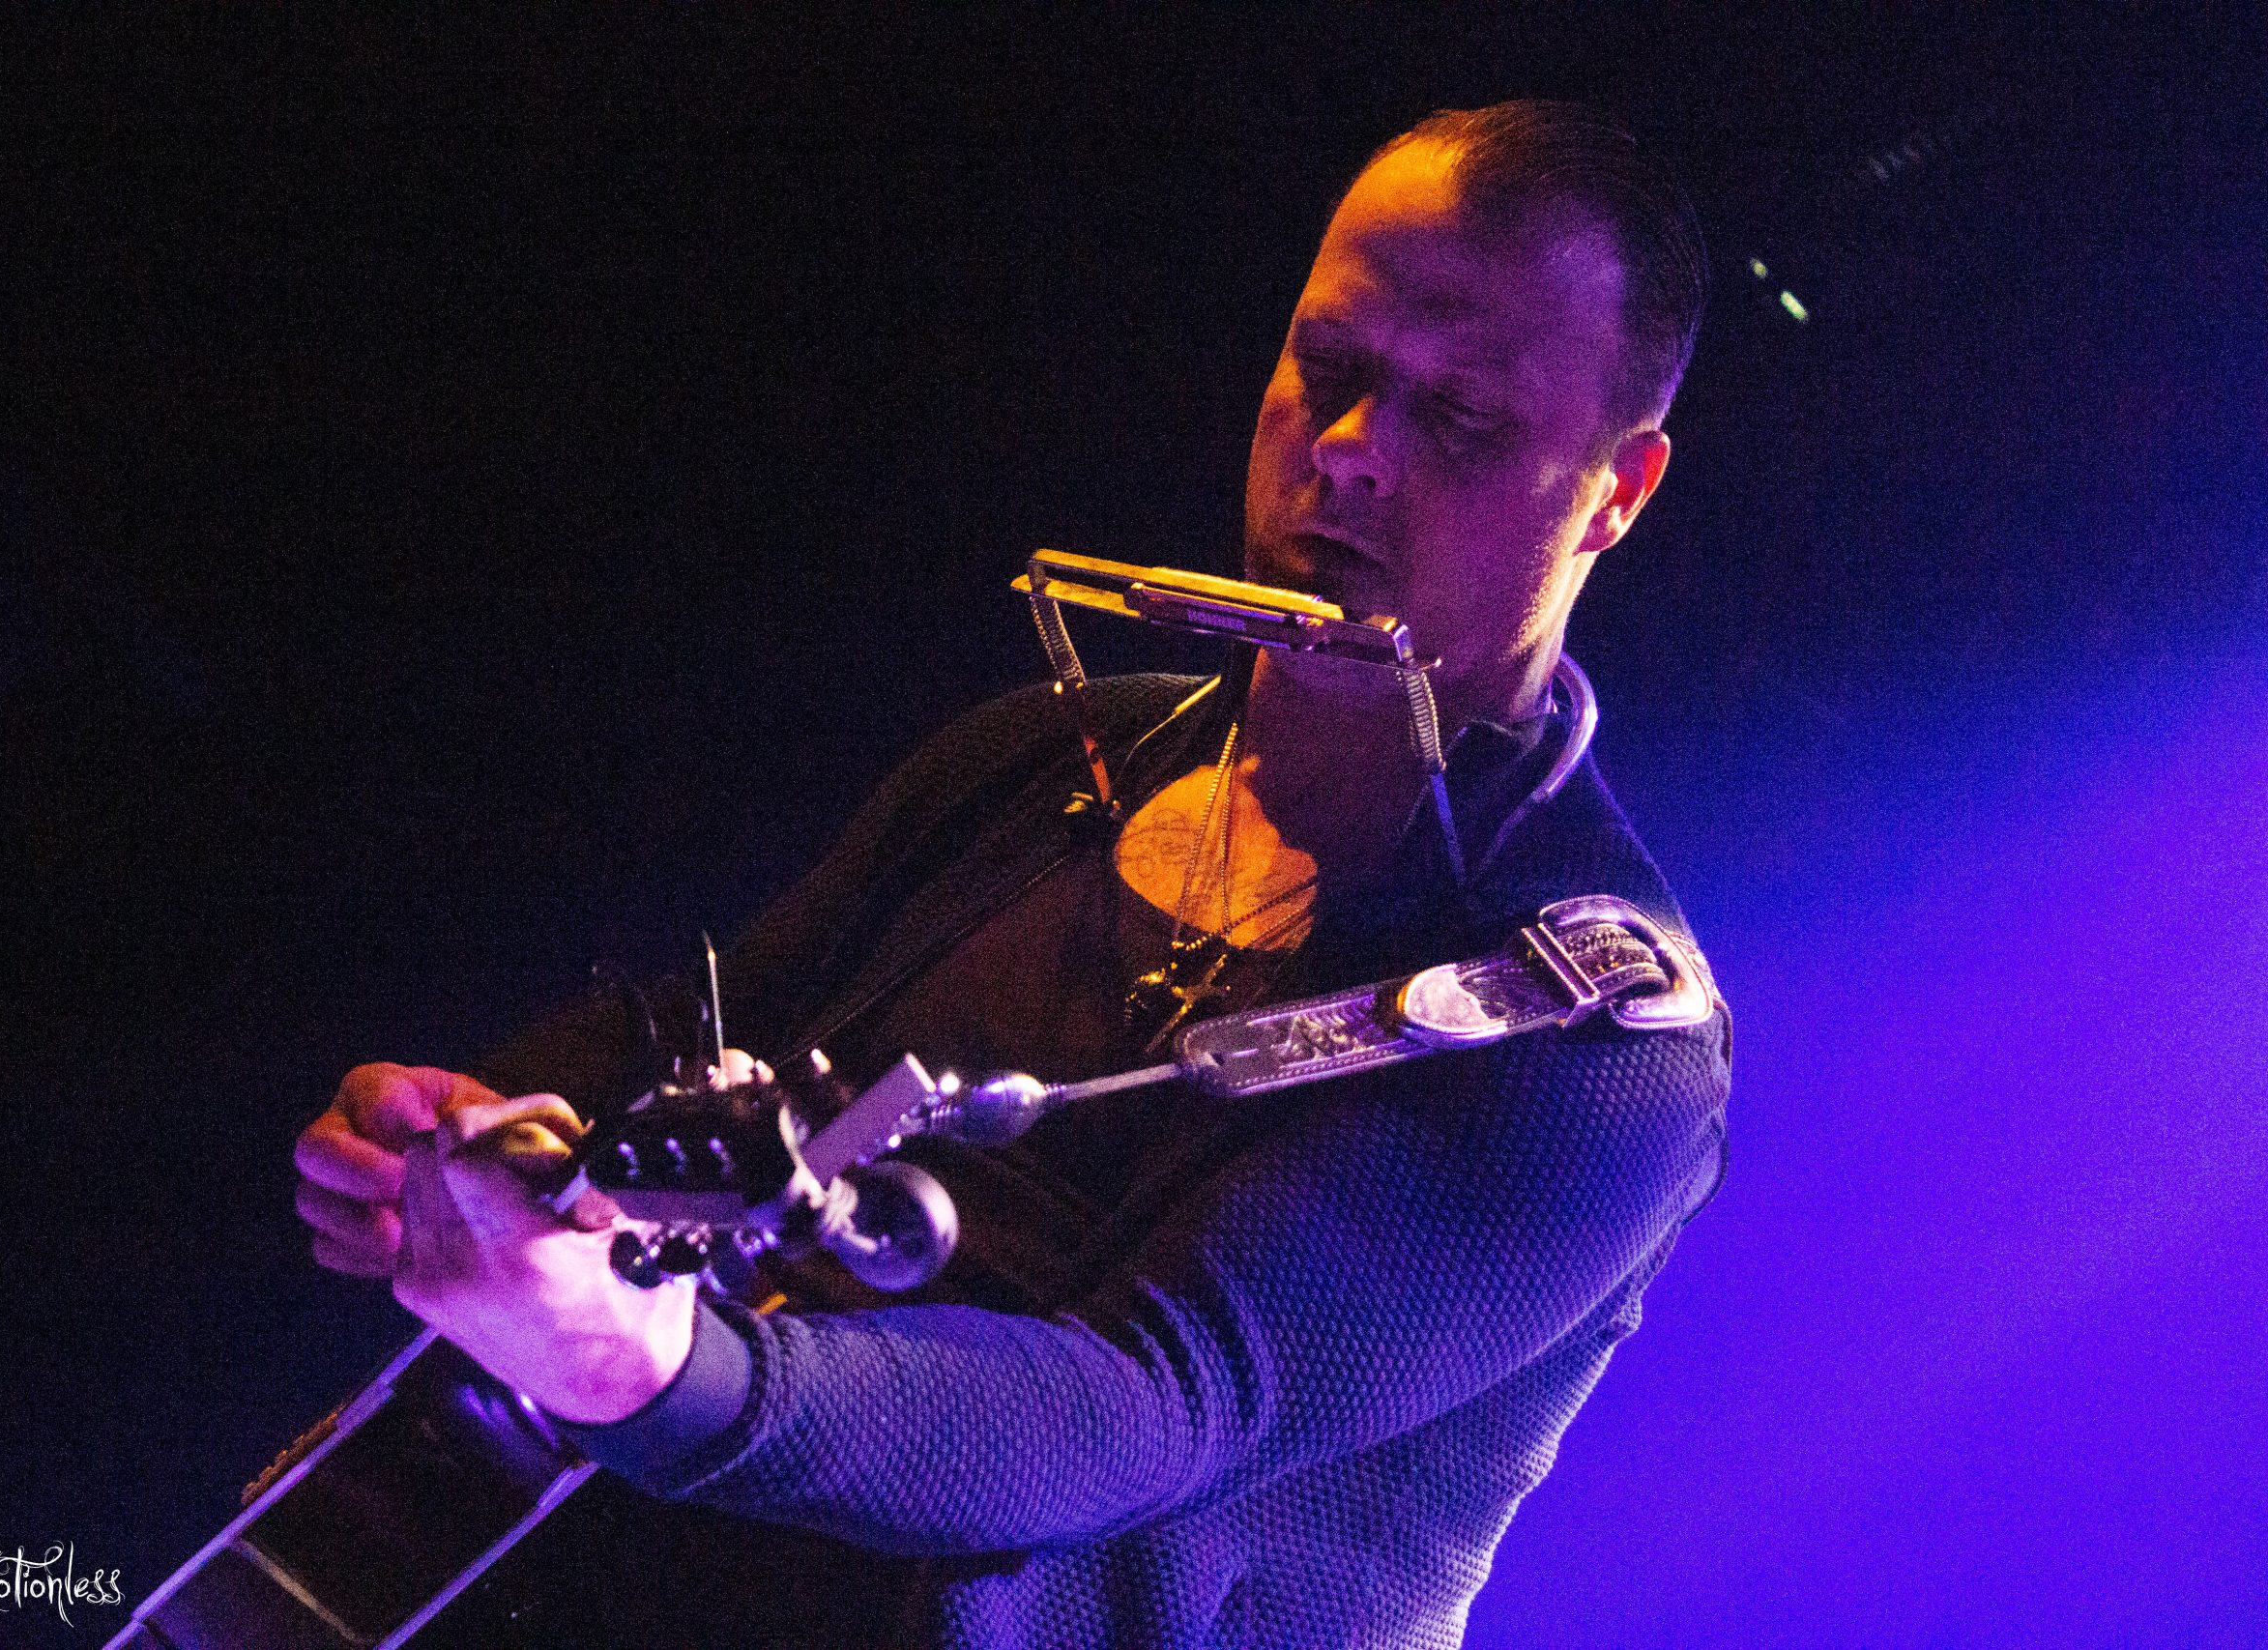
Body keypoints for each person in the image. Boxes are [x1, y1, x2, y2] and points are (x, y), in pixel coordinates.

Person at [293, 100, 1731, 1649]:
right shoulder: (1058, 756)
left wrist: (635, 1366)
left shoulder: (1596, 1041)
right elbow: (717, 1038)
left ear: (1619, 490)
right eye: (1328, 368)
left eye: (1460, 418)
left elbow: (1150, 1405)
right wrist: (473, 1138)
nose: (1349, 452)